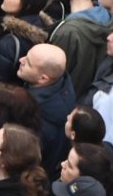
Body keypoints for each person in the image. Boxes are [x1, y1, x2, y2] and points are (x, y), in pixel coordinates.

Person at [17, 44, 76, 173]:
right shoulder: (61, 84)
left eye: (28, 63)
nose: (21, 60)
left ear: (43, 79)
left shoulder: (35, 117)